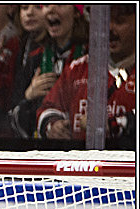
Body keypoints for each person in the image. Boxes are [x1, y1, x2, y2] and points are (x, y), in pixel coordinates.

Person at [38, 4, 135, 144]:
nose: (109, 28)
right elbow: (48, 107)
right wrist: (53, 125)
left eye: (119, 22)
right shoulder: (76, 69)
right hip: (81, 160)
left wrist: (116, 124)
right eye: (103, 21)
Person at [9, 4, 89, 138]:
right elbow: (12, 120)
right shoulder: (35, 58)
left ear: (76, 12)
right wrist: (28, 96)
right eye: (46, 5)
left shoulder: (91, 56)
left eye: (59, 4)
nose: (51, 9)